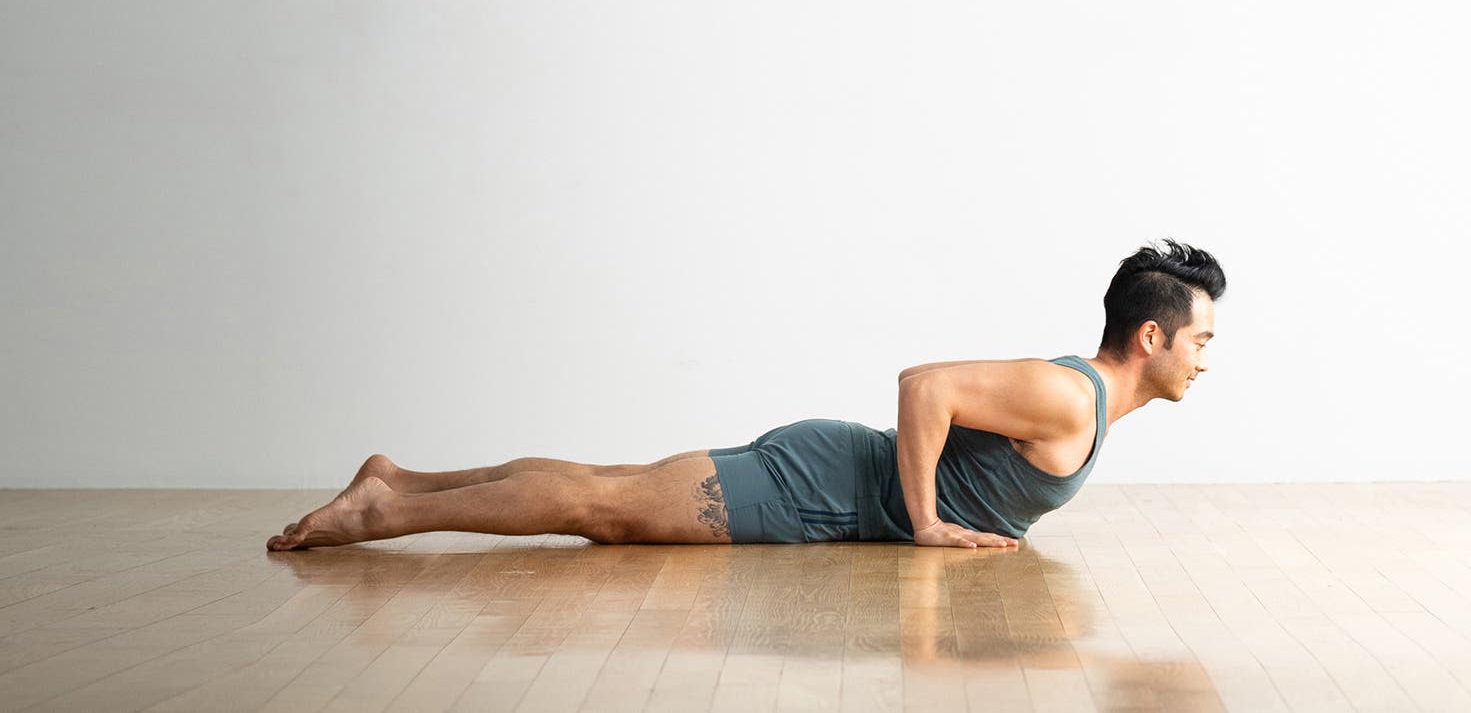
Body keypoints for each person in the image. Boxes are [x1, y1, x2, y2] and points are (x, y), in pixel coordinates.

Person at [266, 238, 1225, 552]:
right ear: (1149, 337)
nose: (1205, 360)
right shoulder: (1069, 398)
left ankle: (401, 479)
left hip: (824, 480)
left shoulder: (1082, 404)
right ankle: (381, 515)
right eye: (1199, 340)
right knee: (603, 509)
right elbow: (924, 387)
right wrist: (927, 522)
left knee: (607, 483)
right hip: (819, 488)